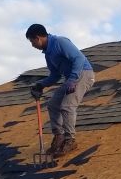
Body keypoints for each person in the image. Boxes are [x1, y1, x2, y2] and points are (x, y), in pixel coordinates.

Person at [25, 23, 95, 157]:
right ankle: (59, 137)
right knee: (53, 105)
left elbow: (79, 58)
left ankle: (70, 140)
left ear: (38, 38)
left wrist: (73, 79)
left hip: (83, 74)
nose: (32, 45)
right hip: (71, 79)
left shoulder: (60, 42)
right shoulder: (48, 54)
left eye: (32, 41)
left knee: (67, 106)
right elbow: (55, 75)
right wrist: (41, 84)